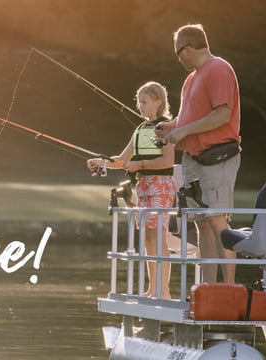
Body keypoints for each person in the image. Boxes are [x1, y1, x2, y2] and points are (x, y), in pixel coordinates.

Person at [155, 24, 242, 284]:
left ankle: (228, 287)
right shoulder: (191, 79)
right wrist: (171, 127)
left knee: (217, 220)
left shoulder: (219, 69)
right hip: (193, 160)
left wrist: (184, 131)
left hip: (216, 159)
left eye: (178, 53)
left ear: (188, 49)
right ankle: (208, 286)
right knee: (201, 223)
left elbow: (222, 113)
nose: (178, 58)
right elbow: (188, 117)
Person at [87, 82, 178, 298]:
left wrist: (140, 165)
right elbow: (121, 160)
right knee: (147, 238)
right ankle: (152, 288)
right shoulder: (140, 129)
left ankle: (163, 292)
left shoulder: (165, 127)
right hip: (144, 187)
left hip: (161, 186)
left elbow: (167, 161)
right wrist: (101, 162)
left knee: (158, 237)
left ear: (158, 102)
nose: (140, 106)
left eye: (144, 102)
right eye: (139, 102)